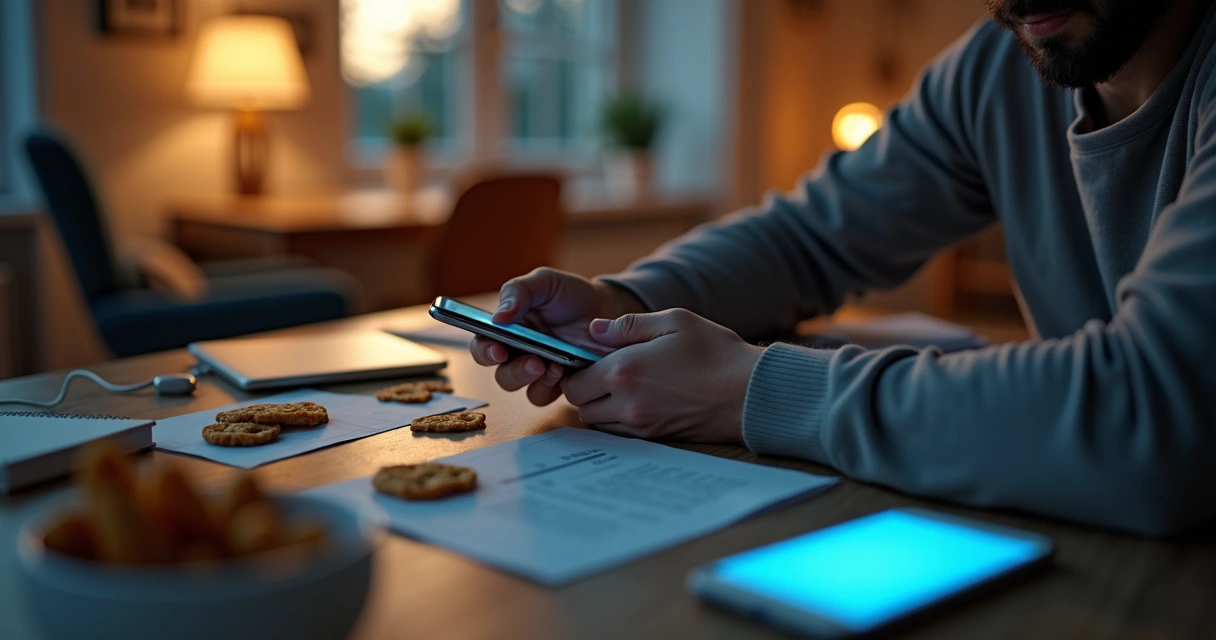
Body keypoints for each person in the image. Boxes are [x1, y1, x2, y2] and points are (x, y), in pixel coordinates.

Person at [471, 0, 1216, 536]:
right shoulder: (996, 71)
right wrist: (621, 302)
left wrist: (750, 392)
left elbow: (1154, 418)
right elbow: (808, 237)